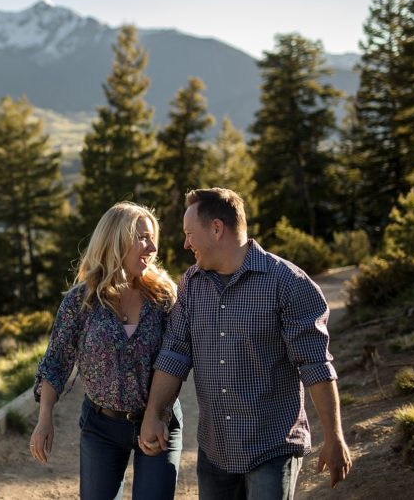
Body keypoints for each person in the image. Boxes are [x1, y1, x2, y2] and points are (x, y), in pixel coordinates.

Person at [138, 188, 352, 499]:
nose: (186, 244)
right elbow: (174, 353)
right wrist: (154, 414)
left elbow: (314, 364)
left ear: (216, 228)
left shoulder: (288, 284)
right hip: (215, 451)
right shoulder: (191, 285)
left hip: (272, 448)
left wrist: (333, 437)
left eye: (189, 234)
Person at [31, 202, 182, 500]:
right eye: (142, 237)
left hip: (159, 421)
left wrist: (159, 413)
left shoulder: (164, 296)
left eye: (153, 238)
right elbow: (56, 361)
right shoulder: (80, 301)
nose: (152, 247)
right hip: (101, 427)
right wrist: (44, 417)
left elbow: (177, 359)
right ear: (115, 240)